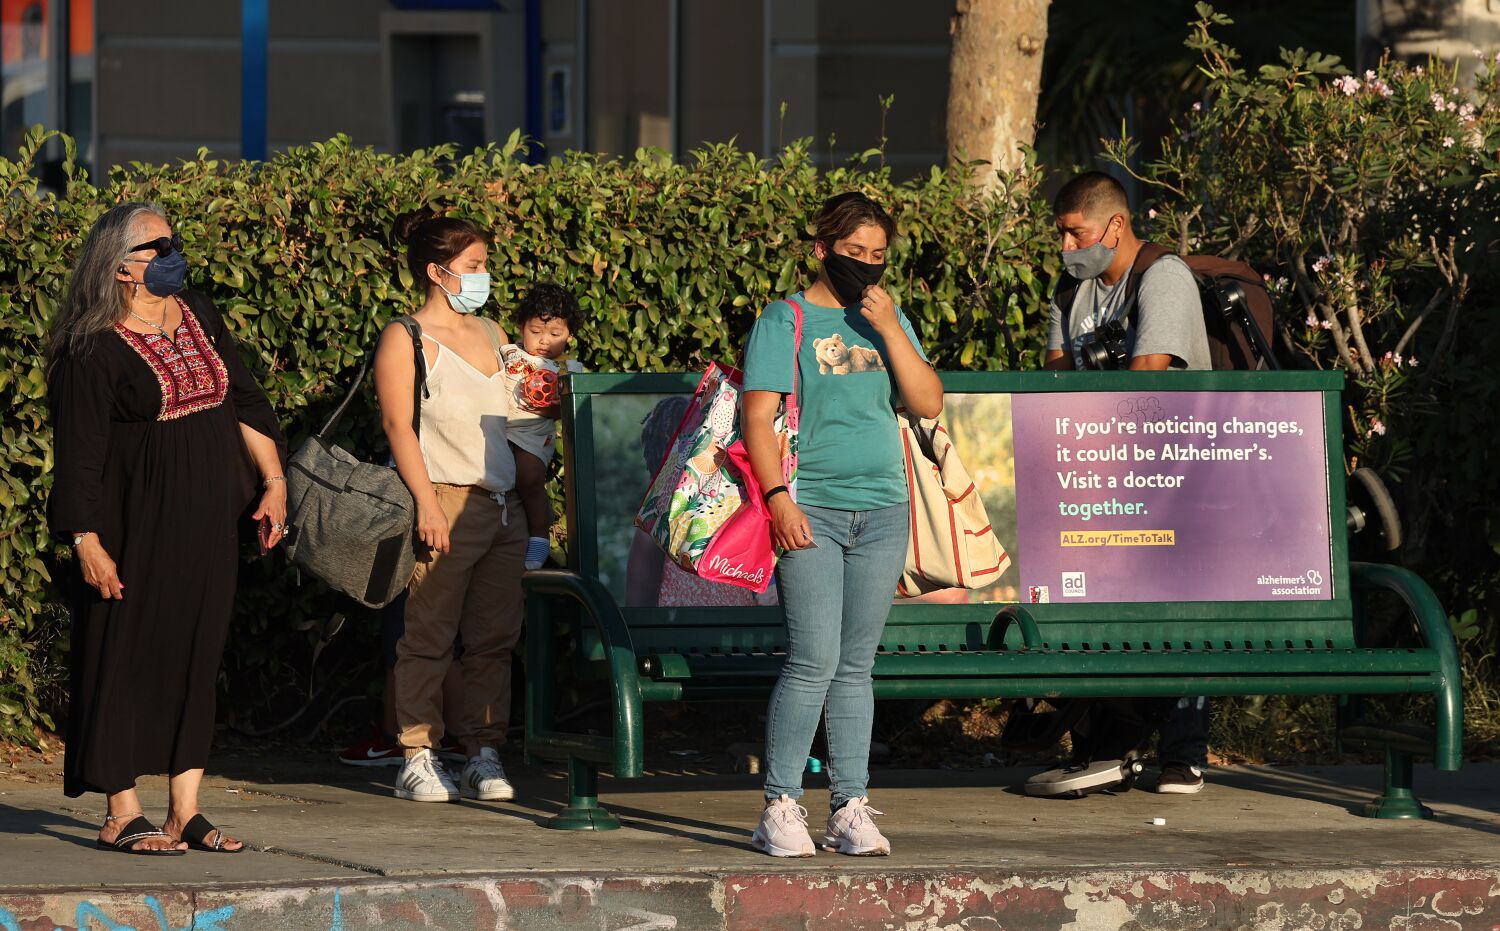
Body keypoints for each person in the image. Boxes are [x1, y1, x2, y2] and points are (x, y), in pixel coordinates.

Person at [47, 203, 286, 854]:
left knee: (195, 654)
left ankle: (186, 810)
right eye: (160, 245)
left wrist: (274, 480)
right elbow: (81, 454)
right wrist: (85, 539)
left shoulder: (199, 312)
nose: (174, 251)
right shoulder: (91, 348)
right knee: (119, 655)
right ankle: (122, 809)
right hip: (132, 527)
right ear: (123, 268)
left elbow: (244, 398)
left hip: (208, 524)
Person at [740, 192, 943, 857]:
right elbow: (758, 417)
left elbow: (927, 399)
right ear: (822, 249)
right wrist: (777, 497)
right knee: (814, 659)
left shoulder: (889, 318)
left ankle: (850, 804)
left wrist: (888, 328)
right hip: (812, 509)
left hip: (883, 508)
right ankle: (780, 803)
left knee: (856, 664)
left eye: (878, 256)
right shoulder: (785, 319)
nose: (867, 266)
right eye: (855, 253)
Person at [1043, 171, 1212, 794]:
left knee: (1183, 614)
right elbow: (1053, 387)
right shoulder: (1073, 291)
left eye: (1075, 232)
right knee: (1099, 609)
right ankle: (1109, 746)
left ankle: (1183, 751)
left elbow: (1148, 381)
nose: (1066, 246)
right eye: (1061, 233)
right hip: (1099, 477)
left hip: (1175, 474)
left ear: (1115, 225)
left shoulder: (1162, 277)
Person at [375, 209, 525, 804]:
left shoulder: (491, 333)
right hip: (444, 496)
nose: (484, 275)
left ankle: (482, 752)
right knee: (428, 634)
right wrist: (425, 505)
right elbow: (397, 426)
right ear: (438, 272)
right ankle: (417, 752)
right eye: (474, 266)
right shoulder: (404, 335)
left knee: (493, 638)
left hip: (502, 502)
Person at [496, 282, 585, 571]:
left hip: (534, 435)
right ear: (521, 327)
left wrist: (551, 409)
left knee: (529, 478)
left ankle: (539, 534)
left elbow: (572, 409)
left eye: (555, 334)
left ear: (570, 335)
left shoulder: (568, 370)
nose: (544, 340)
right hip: (498, 430)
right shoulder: (509, 354)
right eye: (535, 332)